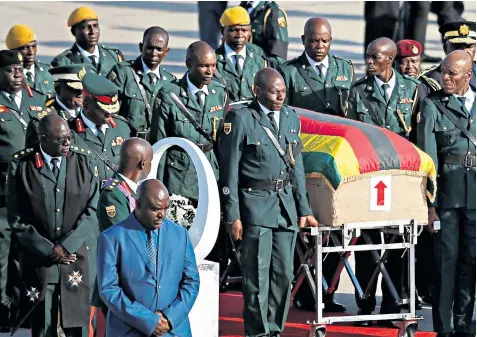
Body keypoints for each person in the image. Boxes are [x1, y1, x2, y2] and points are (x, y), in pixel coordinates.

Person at [218, 67, 318, 337]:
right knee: (257, 277)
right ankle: (258, 332)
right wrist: (232, 215)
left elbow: (296, 168)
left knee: (284, 275)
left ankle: (275, 329)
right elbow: (229, 170)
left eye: (283, 91)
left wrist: (304, 209)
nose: (280, 95)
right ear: (257, 90)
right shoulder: (240, 119)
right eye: (274, 91)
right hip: (254, 206)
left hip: (284, 207)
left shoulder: (290, 117)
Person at [347, 38, 420, 326]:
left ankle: (392, 305)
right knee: (367, 246)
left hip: (401, 180)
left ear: (390, 60)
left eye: (375, 57)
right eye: (367, 56)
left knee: (398, 245)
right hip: (369, 180)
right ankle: (364, 307)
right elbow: (351, 138)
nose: (369, 62)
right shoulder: (357, 93)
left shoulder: (412, 91)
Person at [7, 114, 99, 337]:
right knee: (43, 324)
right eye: (60, 140)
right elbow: (16, 217)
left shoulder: (84, 161)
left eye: (69, 137)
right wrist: (48, 249)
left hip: (76, 258)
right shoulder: (22, 165)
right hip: (40, 261)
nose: (67, 143)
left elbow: (93, 210)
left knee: (78, 324)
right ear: (43, 139)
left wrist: (66, 246)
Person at [417, 50, 475, 337]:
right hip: (447, 198)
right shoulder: (433, 105)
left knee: (471, 262)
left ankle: (465, 324)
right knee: (446, 263)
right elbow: (428, 161)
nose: (446, 78)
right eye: (443, 71)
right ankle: (445, 327)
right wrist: (430, 206)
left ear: (469, 75)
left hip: (475, 198)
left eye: (453, 73)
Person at [97, 179, 200, 337]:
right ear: (137, 205)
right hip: (130, 331)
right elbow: (109, 289)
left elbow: (191, 281)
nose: (162, 215)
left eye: (166, 208)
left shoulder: (180, 235)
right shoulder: (111, 238)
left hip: (173, 331)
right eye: (156, 209)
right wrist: (148, 321)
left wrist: (169, 318)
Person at [0, 50, 50, 329]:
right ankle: (3, 311)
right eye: (10, 70)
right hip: (3, 195)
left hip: (32, 190)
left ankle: (26, 309)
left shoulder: (38, 101)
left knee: (28, 251)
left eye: (20, 70)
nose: (17, 75)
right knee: (2, 254)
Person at [150, 41, 227, 202]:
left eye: (213, 65)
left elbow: (224, 142)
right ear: (188, 64)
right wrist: (157, 185)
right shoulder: (169, 94)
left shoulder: (220, 93)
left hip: (209, 171)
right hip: (179, 174)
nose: (210, 71)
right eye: (204, 66)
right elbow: (160, 143)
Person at [92, 137, 153, 316]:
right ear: (143, 163)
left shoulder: (132, 190)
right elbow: (126, 238)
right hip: (119, 284)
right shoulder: (114, 194)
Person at [108, 27, 175, 140]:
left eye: (159, 49)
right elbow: (108, 110)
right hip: (126, 141)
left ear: (166, 52)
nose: (154, 53)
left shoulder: (169, 81)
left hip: (155, 146)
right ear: (141, 47)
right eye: (149, 48)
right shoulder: (124, 72)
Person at [279, 17, 354, 117]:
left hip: (339, 130)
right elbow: (283, 113)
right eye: (314, 40)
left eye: (325, 41)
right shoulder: (289, 72)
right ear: (303, 40)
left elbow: (355, 107)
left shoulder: (345, 68)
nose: (320, 46)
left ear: (330, 40)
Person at [68, 72, 130, 185]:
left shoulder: (122, 128)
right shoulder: (69, 132)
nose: (109, 115)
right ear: (86, 105)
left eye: (112, 111)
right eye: (104, 111)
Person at [51, 6, 124, 78]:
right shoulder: (63, 62)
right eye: (87, 27)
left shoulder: (114, 56)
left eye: (95, 26)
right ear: (74, 32)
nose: (92, 31)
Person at [215, 6, 268, 102]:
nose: (239, 35)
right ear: (223, 31)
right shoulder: (213, 61)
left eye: (244, 30)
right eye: (234, 30)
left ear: (250, 31)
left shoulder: (259, 60)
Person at [420, 21, 476, 99]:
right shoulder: (431, 80)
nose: (464, 51)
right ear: (445, 49)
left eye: (469, 46)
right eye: (458, 46)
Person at [6, 24, 54, 99]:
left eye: (34, 46)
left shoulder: (47, 72)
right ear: (13, 51)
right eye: (25, 48)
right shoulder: (6, 76)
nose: (31, 52)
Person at [240, 1, 288, 68]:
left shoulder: (273, 13)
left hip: (258, 70)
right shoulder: (243, 7)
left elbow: (279, 59)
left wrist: (256, 62)